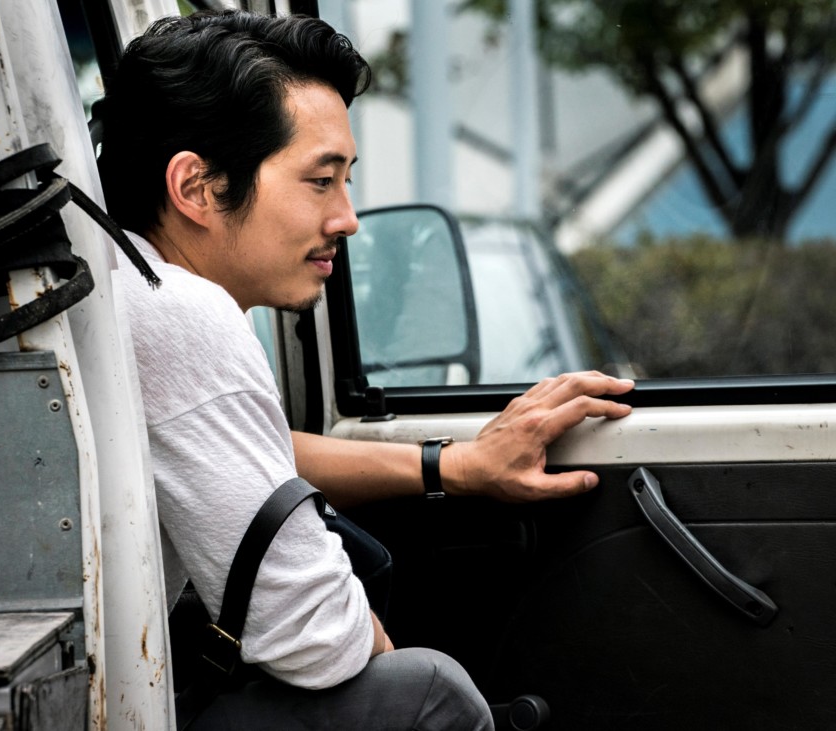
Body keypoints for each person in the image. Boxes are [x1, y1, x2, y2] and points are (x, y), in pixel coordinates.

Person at [100, 10, 634, 729]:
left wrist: (454, 464)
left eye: (346, 181)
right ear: (196, 186)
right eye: (321, 181)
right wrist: (378, 642)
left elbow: (247, 451)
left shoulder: (120, 285)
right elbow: (317, 640)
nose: (348, 218)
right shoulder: (178, 308)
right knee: (431, 691)